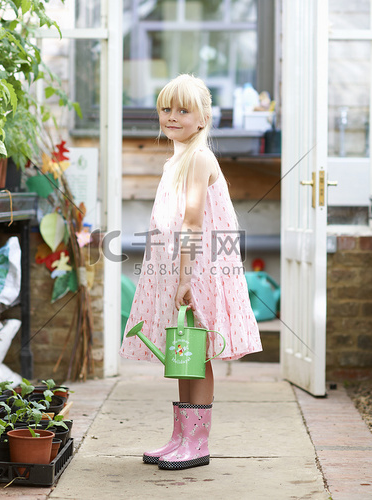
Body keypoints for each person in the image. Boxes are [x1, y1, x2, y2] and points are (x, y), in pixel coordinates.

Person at [119, 74, 262, 470]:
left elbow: (194, 221)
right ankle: (181, 435)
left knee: (195, 354)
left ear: (203, 119)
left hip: (197, 268)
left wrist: (184, 278)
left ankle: (197, 442)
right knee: (183, 350)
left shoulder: (199, 157)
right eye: (167, 108)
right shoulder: (177, 159)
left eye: (184, 109)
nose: (172, 116)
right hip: (179, 267)